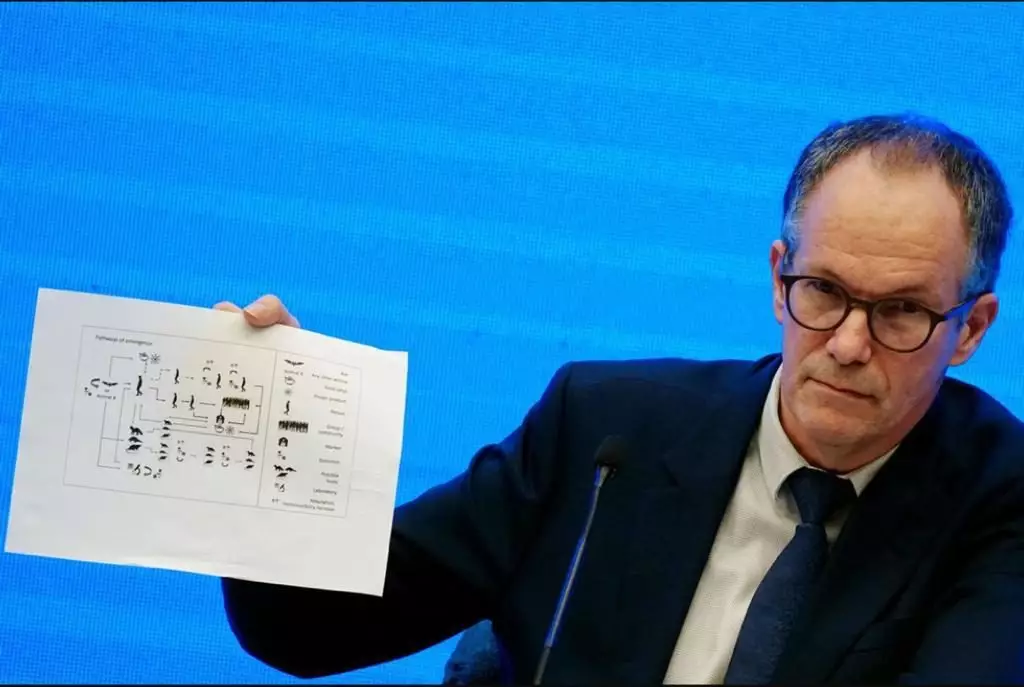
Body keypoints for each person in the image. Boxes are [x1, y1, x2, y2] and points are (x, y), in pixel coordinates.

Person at [217, 113, 1024, 684]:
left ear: (972, 328)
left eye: (901, 311)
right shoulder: (606, 431)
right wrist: (275, 438)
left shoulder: (1000, 501)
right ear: (779, 279)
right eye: (824, 290)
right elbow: (307, 627)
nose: (848, 343)